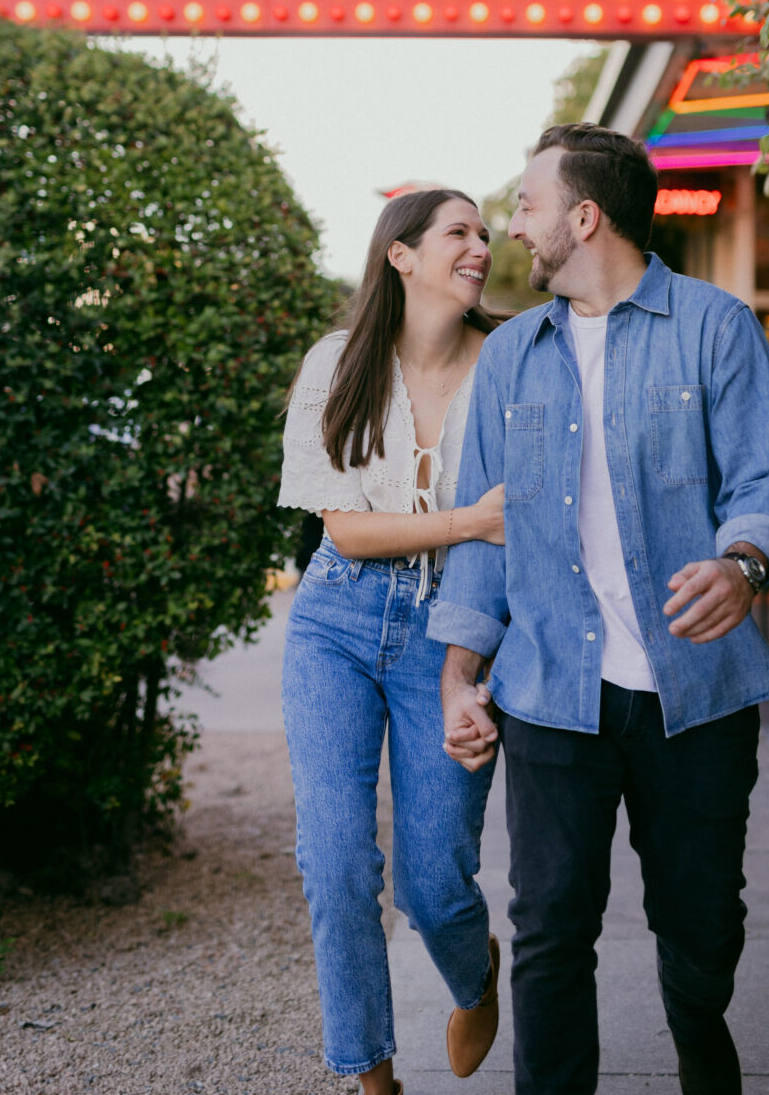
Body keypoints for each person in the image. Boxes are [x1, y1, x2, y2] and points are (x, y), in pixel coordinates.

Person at [428, 125, 769, 1095]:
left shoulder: (713, 326)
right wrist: (458, 677)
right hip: (552, 686)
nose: (513, 226)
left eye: (525, 205)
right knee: (550, 925)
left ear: (582, 216)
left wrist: (741, 562)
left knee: (699, 927)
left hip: (694, 689)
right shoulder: (511, 355)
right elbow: (485, 526)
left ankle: (695, 1026)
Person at [279, 189, 506, 1095]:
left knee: (435, 882)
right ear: (400, 256)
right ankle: (370, 1076)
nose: (481, 247)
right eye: (459, 232)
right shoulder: (337, 363)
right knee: (334, 861)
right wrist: (469, 520)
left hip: (450, 628)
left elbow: (519, 528)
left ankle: (475, 972)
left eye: (487, 232)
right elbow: (347, 530)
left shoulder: (509, 364)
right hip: (334, 620)